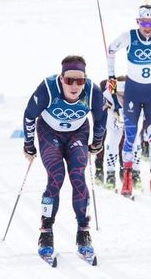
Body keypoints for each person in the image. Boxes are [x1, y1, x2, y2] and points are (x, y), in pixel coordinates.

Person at [22, 55, 108, 263]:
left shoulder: (93, 91)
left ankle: (83, 234)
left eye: (79, 80)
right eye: (69, 80)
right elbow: (29, 115)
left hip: (77, 133)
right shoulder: (48, 88)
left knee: (78, 176)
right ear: (61, 78)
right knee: (56, 177)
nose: (74, 86)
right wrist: (28, 144)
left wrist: (97, 142)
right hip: (48, 133)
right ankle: (46, 233)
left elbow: (101, 117)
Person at [106, 3, 151, 200]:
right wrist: (111, 76)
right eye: (144, 22)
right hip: (133, 92)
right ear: (138, 21)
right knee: (131, 136)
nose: (148, 26)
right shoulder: (129, 36)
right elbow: (111, 49)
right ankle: (127, 179)